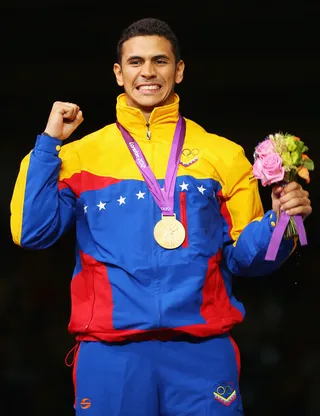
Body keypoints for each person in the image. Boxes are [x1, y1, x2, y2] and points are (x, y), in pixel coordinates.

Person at [10, 17, 312, 416]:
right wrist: (48, 144)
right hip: (110, 354)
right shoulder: (80, 156)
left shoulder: (222, 155)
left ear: (179, 70)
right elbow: (32, 231)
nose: (148, 72)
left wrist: (282, 222)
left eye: (160, 61)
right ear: (119, 73)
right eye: (135, 62)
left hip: (202, 353)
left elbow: (247, 261)